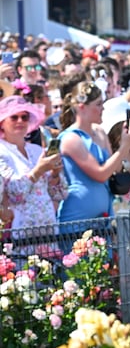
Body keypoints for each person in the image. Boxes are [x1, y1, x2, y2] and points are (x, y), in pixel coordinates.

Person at [57, 81, 130, 247]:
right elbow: (100, 174)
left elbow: (113, 168)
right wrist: (124, 147)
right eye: (98, 104)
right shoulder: (71, 138)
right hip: (77, 220)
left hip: (104, 218)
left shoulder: (99, 132)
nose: (103, 109)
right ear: (82, 107)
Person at [0, 96, 68, 259]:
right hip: (19, 234)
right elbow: (16, 194)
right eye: (14, 117)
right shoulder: (2, 152)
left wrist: (55, 174)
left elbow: (61, 194)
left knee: (52, 281)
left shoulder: (37, 150)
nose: (20, 121)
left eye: (24, 117)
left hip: (47, 228)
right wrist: (39, 170)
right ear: (2, 121)